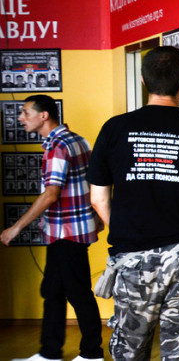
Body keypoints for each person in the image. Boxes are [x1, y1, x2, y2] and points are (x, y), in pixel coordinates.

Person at [88, 47, 179, 360]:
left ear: (143, 81)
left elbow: (98, 198)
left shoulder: (114, 128)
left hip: (133, 255)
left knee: (130, 349)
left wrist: (126, 229)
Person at [2, 95, 103, 361]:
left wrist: (16, 228)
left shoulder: (57, 146)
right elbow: (93, 182)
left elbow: (51, 194)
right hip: (70, 229)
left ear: (43, 115)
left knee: (78, 293)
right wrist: (97, 217)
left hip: (66, 231)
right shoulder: (77, 139)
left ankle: (92, 354)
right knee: (53, 291)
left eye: (26, 113)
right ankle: (49, 353)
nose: (21, 118)